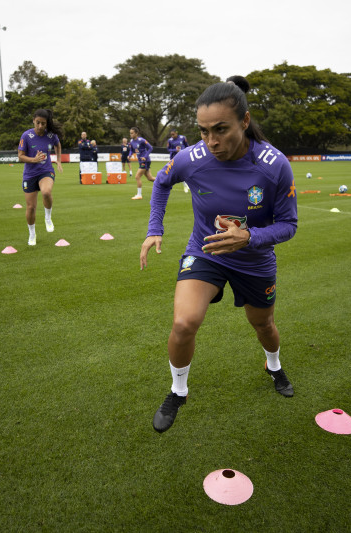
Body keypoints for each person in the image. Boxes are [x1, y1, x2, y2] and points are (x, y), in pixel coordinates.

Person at [139, 76, 298, 433]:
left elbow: (289, 225)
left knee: (264, 326)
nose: (211, 141)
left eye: (221, 130)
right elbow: (161, 184)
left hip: (255, 261)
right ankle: (178, 391)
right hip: (206, 253)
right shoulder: (191, 158)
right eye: (204, 131)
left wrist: (250, 237)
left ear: (244, 121)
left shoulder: (274, 166)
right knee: (183, 323)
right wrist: (154, 228)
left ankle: (273, 364)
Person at [18, 109, 63, 246]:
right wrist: (34, 159)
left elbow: (58, 145)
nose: (40, 126)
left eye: (43, 123)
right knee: (31, 207)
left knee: (46, 192)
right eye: (38, 123)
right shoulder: (26, 136)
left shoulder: (51, 135)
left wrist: (59, 160)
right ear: (33, 121)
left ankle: (47, 217)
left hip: (46, 170)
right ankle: (32, 234)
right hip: (30, 174)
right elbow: (20, 156)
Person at [128, 126, 153, 200]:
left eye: (132, 133)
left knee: (137, 176)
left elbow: (150, 148)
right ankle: (165, 182)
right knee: (150, 178)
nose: (131, 135)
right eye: (130, 133)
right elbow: (132, 150)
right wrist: (130, 155)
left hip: (145, 161)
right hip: (141, 161)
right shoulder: (131, 141)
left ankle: (139, 195)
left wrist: (145, 156)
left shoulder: (142, 140)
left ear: (136, 133)